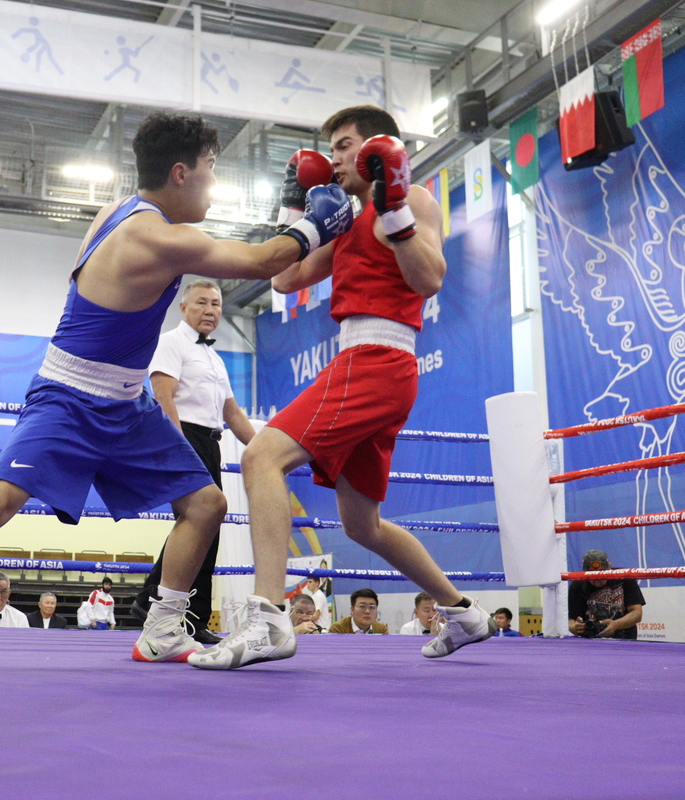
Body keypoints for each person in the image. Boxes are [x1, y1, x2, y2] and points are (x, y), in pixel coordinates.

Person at [0, 112, 341, 662]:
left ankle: (164, 628)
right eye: (211, 170)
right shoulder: (153, 234)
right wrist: (315, 220)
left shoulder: (119, 213)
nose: (214, 186)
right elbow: (266, 261)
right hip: (70, 394)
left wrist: (299, 212)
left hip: (127, 403)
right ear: (179, 173)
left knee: (207, 505)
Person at [191, 106, 493, 669]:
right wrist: (293, 205)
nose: (334, 158)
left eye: (346, 145)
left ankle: (269, 621)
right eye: (330, 148)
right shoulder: (348, 220)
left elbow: (429, 278)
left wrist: (397, 207)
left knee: (261, 456)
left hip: (377, 357)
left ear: (381, 148)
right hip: (368, 361)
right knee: (362, 524)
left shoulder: (411, 201)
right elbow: (284, 278)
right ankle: (463, 613)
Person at [131, 279, 259, 644]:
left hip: (210, 440)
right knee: (200, 524)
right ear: (184, 307)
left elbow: (232, 413)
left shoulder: (215, 358)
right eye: (202, 302)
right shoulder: (172, 342)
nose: (210, 310)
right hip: (183, 435)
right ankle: (177, 611)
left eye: (216, 304)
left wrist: (268, 450)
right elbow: (162, 394)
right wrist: (178, 446)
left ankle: (164, 605)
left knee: (203, 526)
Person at [568, 550, 645, 640]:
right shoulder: (577, 584)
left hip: (624, 640)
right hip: (589, 642)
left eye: (601, 575)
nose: (597, 580)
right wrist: (576, 627)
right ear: (585, 573)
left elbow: (637, 613)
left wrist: (616, 624)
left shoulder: (624, 577)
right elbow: (571, 621)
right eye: (591, 577)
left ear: (609, 567)